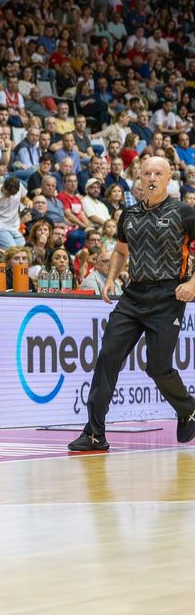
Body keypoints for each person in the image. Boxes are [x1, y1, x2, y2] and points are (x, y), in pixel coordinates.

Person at [70, 157, 195, 451]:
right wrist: (111, 278)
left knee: (157, 367)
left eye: (157, 173)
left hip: (168, 297)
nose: (151, 178)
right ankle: (94, 433)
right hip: (132, 296)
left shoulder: (184, 213)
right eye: (146, 173)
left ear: (168, 179)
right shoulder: (129, 214)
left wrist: (191, 284)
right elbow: (120, 251)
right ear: (138, 179)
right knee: (107, 358)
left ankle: (187, 409)